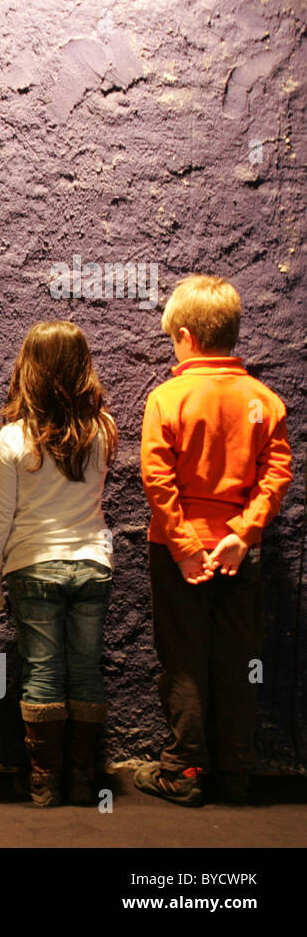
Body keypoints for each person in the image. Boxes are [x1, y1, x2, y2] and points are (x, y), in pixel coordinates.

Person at [134, 274, 292, 806]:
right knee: (237, 659)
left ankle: (183, 770)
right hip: (237, 554)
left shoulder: (167, 397)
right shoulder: (264, 400)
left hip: (178, 553)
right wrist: (244, 534)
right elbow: (278, 474)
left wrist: (183, 546)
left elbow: (158, 479)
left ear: (185, 336)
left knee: (183, 660)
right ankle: (236, 772)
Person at [0, 321, 118, 806]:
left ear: (29, 369)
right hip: (92, 563)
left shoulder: (13, 439)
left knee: (41, 673)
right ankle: (81, 779)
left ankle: (43, 782)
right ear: (83, 368)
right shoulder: (103, 430)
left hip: (33, 567)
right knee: (86, 671)